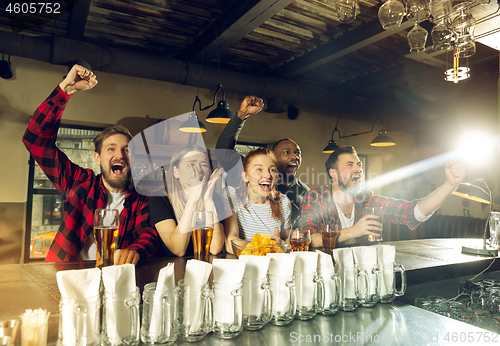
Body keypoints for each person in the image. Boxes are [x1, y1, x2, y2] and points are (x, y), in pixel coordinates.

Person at [22, 64, 158, 264]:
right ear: (97, 157)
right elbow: (35, 140)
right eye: (111, 149)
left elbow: (148, 234)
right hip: (68, 278)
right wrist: (65, 90)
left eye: (127, 150)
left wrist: (135, 250)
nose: (119, 155)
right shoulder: (79, 183)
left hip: (114, 281)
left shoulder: (142, 198)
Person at [299, 145, 466, 247]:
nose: (358, 169)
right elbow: (308, 239)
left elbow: (413, 212)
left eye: (359, 165)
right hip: (326, 275)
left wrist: (450, 185)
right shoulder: (315, 198)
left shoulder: (368, 199)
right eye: (350, 165)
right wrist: (353, 231)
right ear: (333, 173)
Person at [215, 96, 309, 227]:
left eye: (298, 153)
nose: (295, 157)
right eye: (287, 152)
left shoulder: (305, 192)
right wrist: (241, 116)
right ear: (273, 158)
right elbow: (223, 152)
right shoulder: (253, 176)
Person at [148, 145, 228, 257]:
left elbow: (215, 248)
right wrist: (193, 199)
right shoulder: (159, 199)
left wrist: (208, 201)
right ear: (176, 172)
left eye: (204, 165)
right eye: (191, 164)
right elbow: (178, 249)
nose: (199, 169)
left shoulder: (215, 199)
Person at [224, 148, 292, 253]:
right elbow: (231, 243)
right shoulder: (232, 196)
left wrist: (287, 242)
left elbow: (286, 239)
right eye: (259, 169)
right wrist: (266, 245)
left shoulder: (283, 201)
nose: (268, 175)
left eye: (272, 170)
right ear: (245, 176)